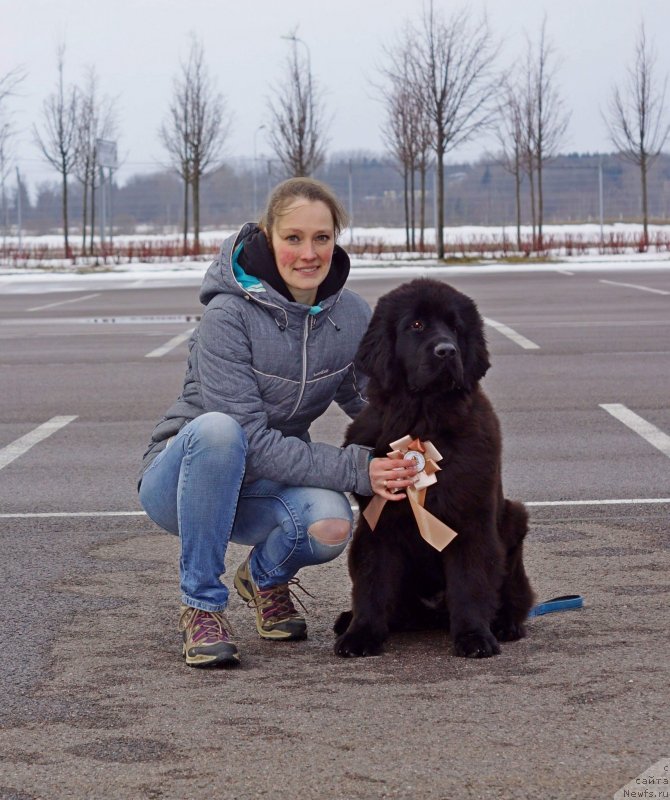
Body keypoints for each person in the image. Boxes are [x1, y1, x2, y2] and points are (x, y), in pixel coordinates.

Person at [138, 177, 418, 667]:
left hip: (263, 485)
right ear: (269, 238)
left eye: (321, 238)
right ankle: (201, 605)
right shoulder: (227, 316)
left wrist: (426, 452)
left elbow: (376, 402)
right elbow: (249, 438)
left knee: (331, 524)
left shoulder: (350, 315)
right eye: (293, 238)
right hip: (184, 480)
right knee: (220, 429)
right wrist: (359, 468)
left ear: (336, 239)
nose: (308, 253)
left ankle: (265, 580)